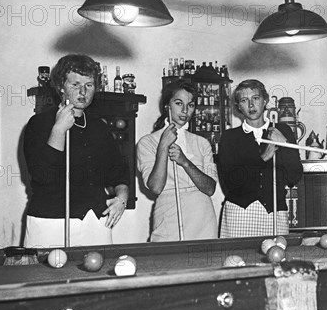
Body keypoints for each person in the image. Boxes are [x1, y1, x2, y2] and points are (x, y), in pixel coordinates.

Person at [23, 54, 129, 247]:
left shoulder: (99, 127)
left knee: (99, 277)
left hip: (95, 222)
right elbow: (42, 175)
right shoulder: (39, 123)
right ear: (61, 87)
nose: (83, 91)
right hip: (51, 223)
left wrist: (122, 198)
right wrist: (59, 130)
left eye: (89, 85)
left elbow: (118, 171)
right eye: (75, 84)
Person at [217, 79, 303, 238]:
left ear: (265, 100)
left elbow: (294, 176)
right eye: (244, 100)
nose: (251, 105)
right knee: (237, 261)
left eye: (255, 98)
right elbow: (230, 183)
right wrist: (262, 158)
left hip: (275, 213)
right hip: (240, 214)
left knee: (276, 260)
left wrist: (283, 143)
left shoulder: (283, 131)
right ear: (238, 107)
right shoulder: (230, 138)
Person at [137, 80, 218, 241]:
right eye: (179, 103)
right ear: (167, 105)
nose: (185, 110)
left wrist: (184, 161)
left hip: (203, 219)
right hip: (169, 216)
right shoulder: (147, 142)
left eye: (191, 105)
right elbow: (155, 187)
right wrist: (163, 147)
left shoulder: (202, 143)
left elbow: (210, 189)